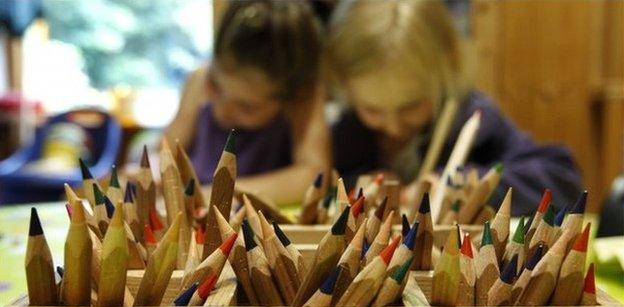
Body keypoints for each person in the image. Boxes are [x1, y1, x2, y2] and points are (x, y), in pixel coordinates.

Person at [326, 0, 582, 215]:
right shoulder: (349, 131)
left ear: (449, 68)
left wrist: (472, 187)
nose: (393, 127)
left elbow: (562, 178)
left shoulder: (473, 116)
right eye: (373, 110)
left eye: (411, 106)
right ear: (346, 89)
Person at [166, 0, 329, 205]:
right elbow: (165, 153)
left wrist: (219, 194)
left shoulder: (304, 98)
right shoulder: (199, 79)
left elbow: (314, 177)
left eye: (247, 107)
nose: (223, 109)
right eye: (215, 86)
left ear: (290, 99)